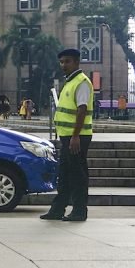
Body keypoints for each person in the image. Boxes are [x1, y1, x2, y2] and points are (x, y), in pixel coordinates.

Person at [41, 48, 94, 222]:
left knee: (77, 175)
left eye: (67, 61)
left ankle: (79, 211)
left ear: (77, 62)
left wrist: (76, 136)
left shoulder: (82, 82)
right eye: (62, 62)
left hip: (77, 137)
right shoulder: (69, 82)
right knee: (64, 174)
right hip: (68, 137)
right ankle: (57, 209)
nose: (64, 65)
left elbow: (82, 110)